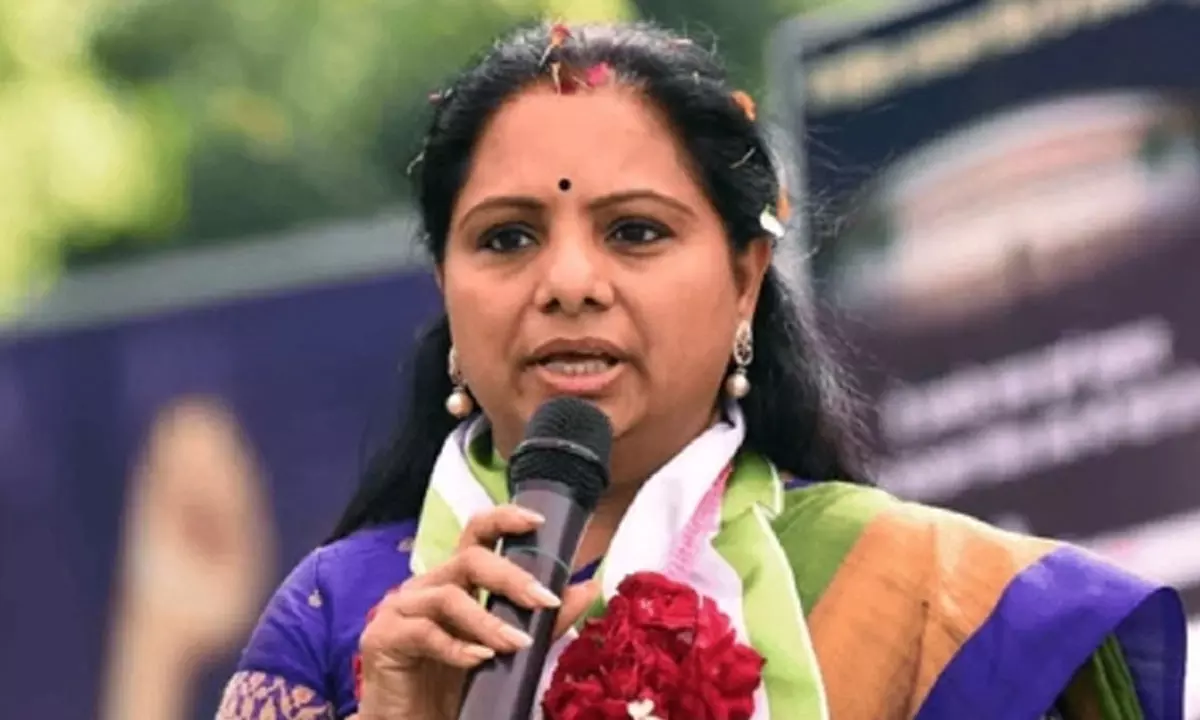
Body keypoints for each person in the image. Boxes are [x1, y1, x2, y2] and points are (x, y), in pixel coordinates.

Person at [216, 21, 1186, 720]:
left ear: (745, 281)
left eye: (635, 232)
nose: (568, 283)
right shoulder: (341, 620)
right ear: (446, 291)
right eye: (507, 238)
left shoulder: (938, 605)